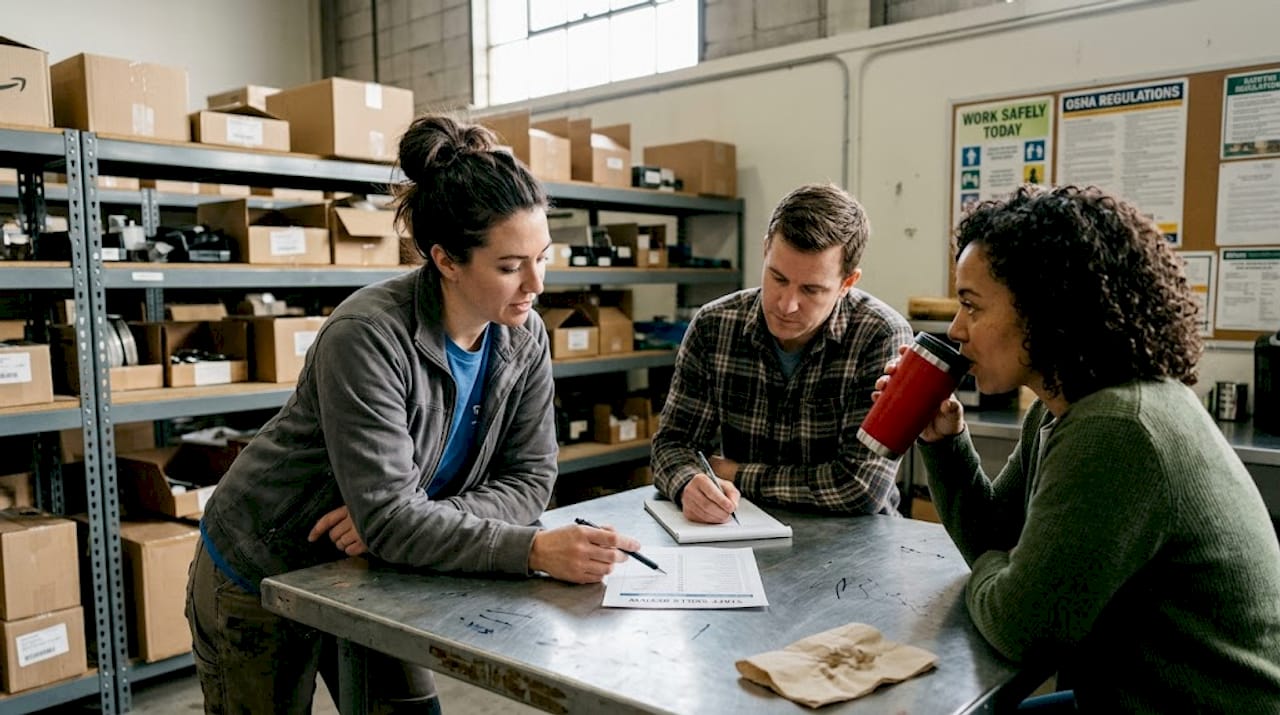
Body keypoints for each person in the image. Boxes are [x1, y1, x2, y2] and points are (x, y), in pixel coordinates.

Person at [186, 115, 642, 715]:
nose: (536, 284)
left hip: (376, 568)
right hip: (263, 562)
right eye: (510, 266)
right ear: (446, 260)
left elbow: (531, 480)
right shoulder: (367, 335)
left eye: (543, 258)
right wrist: (530, 550)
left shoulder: (524, 336)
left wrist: (407, 518)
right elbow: (396, 522)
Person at [877, 184, 1280, 712]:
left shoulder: (1117, 428)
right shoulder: (1063, 404)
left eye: (972, 306)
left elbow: (1022, 627)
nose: (956, 328)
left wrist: (1008, 575)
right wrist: (945, 442)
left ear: (1047, 308)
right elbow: (998, 538)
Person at [651, 183, 913, 523]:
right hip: (738, 529)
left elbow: (860, 486)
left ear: (848, 283)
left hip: (852, 543)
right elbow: (671, 446)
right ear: (765, 251)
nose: (787, 305)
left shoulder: (880, 335)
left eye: (811, 289)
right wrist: (688, 482)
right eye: (778, 278)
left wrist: (735, 473)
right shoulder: (714, 326)